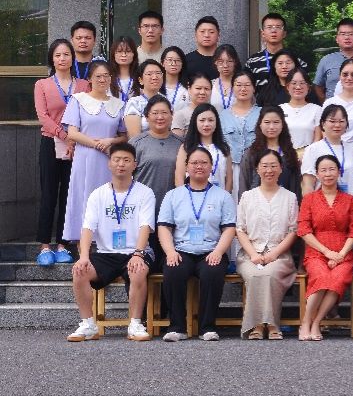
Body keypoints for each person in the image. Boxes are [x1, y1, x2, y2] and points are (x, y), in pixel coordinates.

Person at [66, 142, 155, 342]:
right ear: (109, 163)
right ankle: (88, 324)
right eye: (117, 160)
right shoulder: (98, 194)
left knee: (138, 269)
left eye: (126, 160)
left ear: (134, 165)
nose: (121, 164)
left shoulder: (145, 192)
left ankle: (135, 323)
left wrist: (138, 253)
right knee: (80, 271)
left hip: (136, 251)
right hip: (106, 253)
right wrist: (84, 257)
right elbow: (88, 228)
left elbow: (145, 226)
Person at [156, 146, 237, 342]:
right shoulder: (173, 195)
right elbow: (164, 227)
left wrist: (218, 252)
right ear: (186, 167)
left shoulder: (223, 196)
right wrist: (170, 252)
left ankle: (207, 327)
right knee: (173, 270)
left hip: (211, 250)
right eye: (194, 163)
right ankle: (177, 326)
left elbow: (229, 229)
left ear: (211, 166)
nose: (199, 166)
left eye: (204, 163)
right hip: (181, 250)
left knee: (212, 272)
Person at [33, 38, 87, 265]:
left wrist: (76, 138)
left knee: (69, 194)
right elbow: (43, 116)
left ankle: (63, 244)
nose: (62, 59)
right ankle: (45, 246)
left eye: (66, 54)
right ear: (52, 59)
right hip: (51, 142)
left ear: (72, 58)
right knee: (49, 194)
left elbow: (87, 113)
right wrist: (65, 135)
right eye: (58, 55)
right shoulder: (42, 84)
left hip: (77, 145)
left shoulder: (84, 85)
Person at [235, 151, 299, 340]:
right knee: (255, 274)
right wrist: (253, 254)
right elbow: (240, 230)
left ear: (280, 169)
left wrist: (274, 254)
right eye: (264, 166)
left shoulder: (290, 197)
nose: (269, 170)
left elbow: (293, 231)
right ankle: (257, 325)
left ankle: (271, 324)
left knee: (269, 274)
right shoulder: (247, 196)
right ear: (257, 169)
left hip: (280, 255)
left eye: (273, 166)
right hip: (250, 254)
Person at [61, 61, 126, 247]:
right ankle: (84, 247)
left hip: (109, 160)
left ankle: (106, 244)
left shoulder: (119, 104)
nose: (102, 79)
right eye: (98, 76)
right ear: (89, 78)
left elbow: (124, 136)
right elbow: (72, 133)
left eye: (106, 76)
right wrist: (97, 144)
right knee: (84, 198)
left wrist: (109, 142)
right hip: (85, 158)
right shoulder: (78, 100)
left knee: (108, 199)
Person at [297, 154, 353, 342]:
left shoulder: (349, 200)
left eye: (332, 169)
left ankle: (316, 322)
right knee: (322, 276)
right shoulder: (309, 199)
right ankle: (305, 322)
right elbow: (303, 230)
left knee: (337, 279)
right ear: (317, 174)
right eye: (323, 170)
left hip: (343, 253)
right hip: (316, 252)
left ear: (339, 172)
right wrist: (326, 252)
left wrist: (340, 254)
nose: (328, 174)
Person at [131, 96, 180, 262]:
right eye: (155, 113)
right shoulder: (136, 143)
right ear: (146, 116)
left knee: (170, 260)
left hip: (173, 211)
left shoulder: (182, 144)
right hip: (144, 211)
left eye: (164, 113)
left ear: (172, 115)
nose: (160, 117)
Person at [238, 106, 302, 196]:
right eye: (267, 122)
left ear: (283, 124)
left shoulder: (289, 153)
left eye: (276, 122)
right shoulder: (251, 153)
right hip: (256, 202)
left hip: (285, 201)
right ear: (260, 124)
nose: (271, 127)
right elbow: (244, 184)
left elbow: (296, 186)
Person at [300, 105, 353, 195]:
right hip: (322, 202)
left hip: (350, 202)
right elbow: (308, 185)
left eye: (341, 121)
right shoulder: (313, 149)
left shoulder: (352, 149)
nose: (337, 125)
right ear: (323, 124)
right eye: (332, 121)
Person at [173, 103, 232, 193]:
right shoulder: (187, 147)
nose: (206, 124)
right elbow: (179, 178)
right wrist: (185, 198)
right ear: (195, 122)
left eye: (211, 120)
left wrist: (225, 197)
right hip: (192, 198)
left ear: (216, 122)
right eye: (202, 120)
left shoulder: (224, 148)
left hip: (219, 197)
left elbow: (229, 179)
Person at [220, 70, 261, 190]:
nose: (243, 89)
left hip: (256, 167)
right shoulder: (222, 116)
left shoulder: (262, 113)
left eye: (247, 85)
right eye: (238, 85)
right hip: (230, 168)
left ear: (254, 88)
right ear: (232, 88)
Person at [245, 13, 308, 90]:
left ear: (284, 33)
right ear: (263, 33)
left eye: (278, 27)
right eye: (269, 27)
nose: (273, 31)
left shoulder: (297, 60)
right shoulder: (253, 61)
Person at [280, 68, 322, 153]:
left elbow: (318, 138)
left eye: (302, 83)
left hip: (308, 156)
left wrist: (306, 155)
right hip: (283, 156)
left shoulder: (317, 110)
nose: (298, 87)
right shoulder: (279, 109)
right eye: (294, 83)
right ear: (287, 86)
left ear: (308, 87)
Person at [124, 60, 165, 138]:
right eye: (149, 74)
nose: (154, 77)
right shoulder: (134, 103)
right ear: (140, 80)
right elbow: (135, 138)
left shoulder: (165, 101)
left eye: (158, 73)